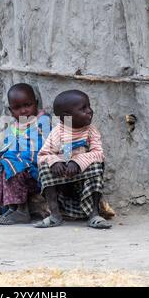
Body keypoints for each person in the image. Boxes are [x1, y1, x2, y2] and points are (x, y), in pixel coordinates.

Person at [35, 89, 112, 229]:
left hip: (82, 177)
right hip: (63, 177)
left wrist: (77, 161)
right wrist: (55, 162)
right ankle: (54, 215)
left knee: (97, 165)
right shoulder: (57, 132)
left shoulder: (90, 130)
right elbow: (42, 155)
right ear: (66, 116)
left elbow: (98, 153)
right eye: (83, 108)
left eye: (89, 106)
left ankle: (94, 214)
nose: (89, 111)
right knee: (45, 168)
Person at [0, 83, 51, 225]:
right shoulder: (14, 127)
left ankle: (22, 210)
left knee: (11, 166)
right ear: (10, 110)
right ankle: (11, 207)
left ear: (36, 103)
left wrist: (8, 159)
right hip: (21, 167)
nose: (23, 110)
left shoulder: (43, 122)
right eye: (17, 108)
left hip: (36, 172)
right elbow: (8, 147)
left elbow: (37, 150)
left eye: (27, 105)